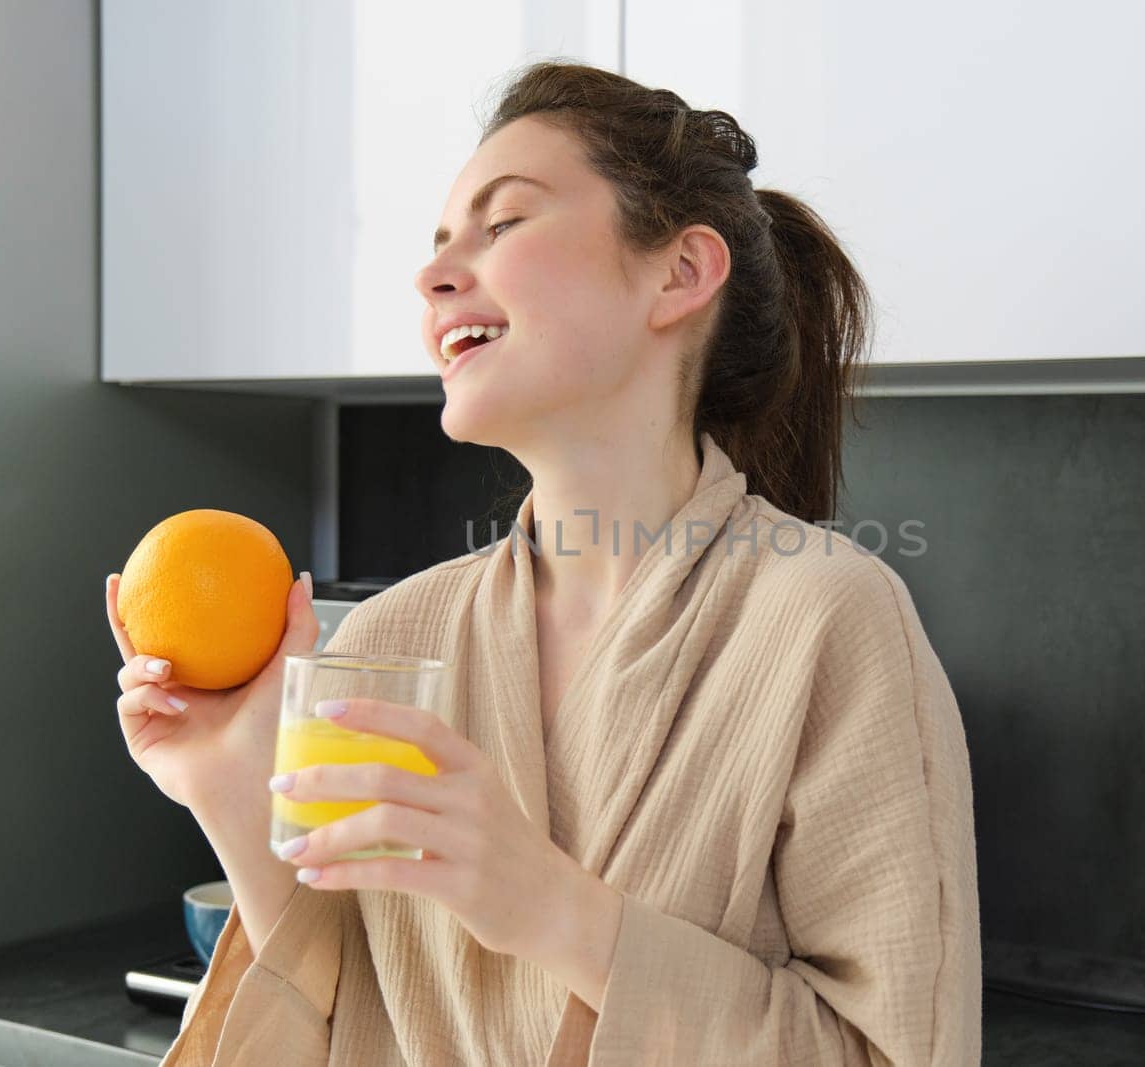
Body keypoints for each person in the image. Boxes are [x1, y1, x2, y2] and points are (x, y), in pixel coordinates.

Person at [107, 60, 982, 1065]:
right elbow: (353, 1022)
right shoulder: (398, 632)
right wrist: (227, 788)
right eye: (437, 244)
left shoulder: (830, 619)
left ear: (679, 273)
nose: (433, 274)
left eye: (504, 221)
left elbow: (896, 1050)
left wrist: (551, 907)